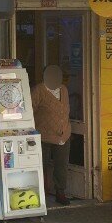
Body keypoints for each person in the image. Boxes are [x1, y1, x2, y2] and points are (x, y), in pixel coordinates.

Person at [31, 65, 72, 205]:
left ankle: (60, 192)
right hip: (44, 135)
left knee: (61, 165)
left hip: (63, 134)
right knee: (42, 165)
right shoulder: (38, 90)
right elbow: (30, 110)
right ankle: (42, 193)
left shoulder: (64, 90)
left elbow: (64, 110)